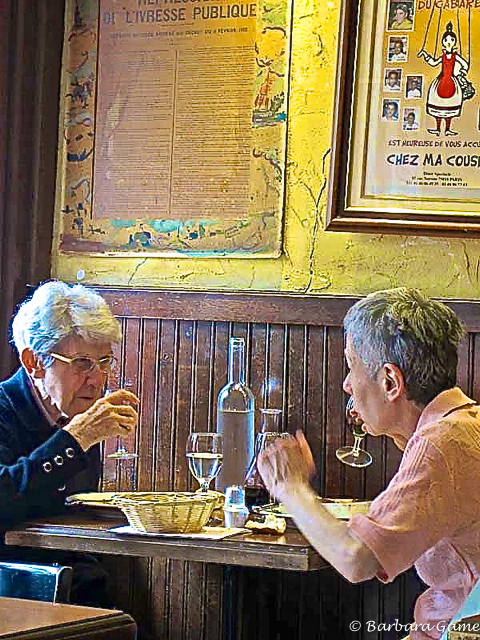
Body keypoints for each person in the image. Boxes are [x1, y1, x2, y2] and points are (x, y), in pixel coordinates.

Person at [258, 288, 480, 640]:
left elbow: (356, 559)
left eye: (351, 366)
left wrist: (290, 486)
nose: (347, 384)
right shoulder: (463, 425)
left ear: (390, 382)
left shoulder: (443, 443)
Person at [0, 280, 139, 605]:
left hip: (81, 588)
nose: (97, 379)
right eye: (82, 364)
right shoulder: (5, 409)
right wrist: (76, 439)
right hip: (17, 596)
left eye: (104, 362)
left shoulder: (78, 412)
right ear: (33, 362)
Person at [419, 22, 469, 136]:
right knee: (438, 105)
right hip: (441, 81)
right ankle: (437, 128)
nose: (449, 43)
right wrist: (425, 55)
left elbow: (465, 64)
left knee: (449, 108)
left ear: (454, 42)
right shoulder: (443, 56)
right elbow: (433, 62)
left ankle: (447, 129)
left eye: (451, 41)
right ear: (443, 42)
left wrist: (462, 72)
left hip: (452, 81)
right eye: (446, 41)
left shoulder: (456, 56)